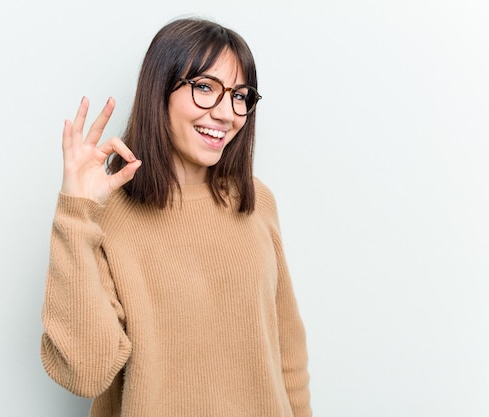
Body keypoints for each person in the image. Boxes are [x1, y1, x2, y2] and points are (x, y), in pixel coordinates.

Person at [40, 16, 312, 417]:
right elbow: (85, 373)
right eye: (205, 87)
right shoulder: (103, 216)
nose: (227, 114)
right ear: (159, 90)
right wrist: (76, 213)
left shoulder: (257, 202)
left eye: (240, 95)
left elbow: (287, 353)